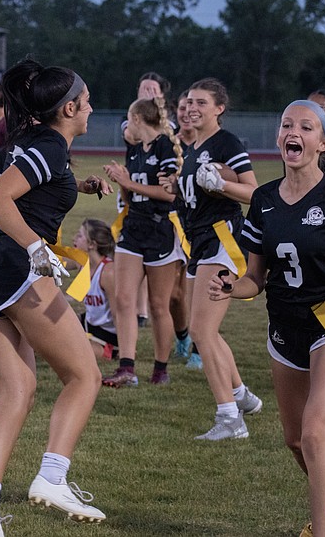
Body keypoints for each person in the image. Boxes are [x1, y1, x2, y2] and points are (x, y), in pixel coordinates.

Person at [209, 100, 325, 536]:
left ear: (323, 143)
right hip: (284, 329)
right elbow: (255, 278)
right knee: (294, 440)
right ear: (279, 137)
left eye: (307, 127)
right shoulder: (265, 199)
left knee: (313, 434)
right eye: (287, 124)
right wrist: (234, 285)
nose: (295, 131)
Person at [0, 57, 112, 536]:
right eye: (85, 102)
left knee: (19, 390)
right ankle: (52, 476)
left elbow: (25, 185)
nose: (91, 108)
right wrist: (35, 246)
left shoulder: (37, 142)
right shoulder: (45, 145)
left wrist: (77, 183)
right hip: (16, 269)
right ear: (67, 109)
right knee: (84, 377)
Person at [158, 77, 263, 441]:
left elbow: (254, 193)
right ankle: (240, 396)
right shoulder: (194, 147)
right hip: (200, 245)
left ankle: (230, 418)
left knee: (202, 332)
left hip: (224, 241)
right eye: (188, 102)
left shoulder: (225, 142)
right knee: (207, 330)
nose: (191, 107)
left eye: (201, 102)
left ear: (219, 108)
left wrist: (223, 186)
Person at [102, 97, 184, 387]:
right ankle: (127, 367)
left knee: (159, 304)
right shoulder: (135, 150)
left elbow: (170, 194)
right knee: (124, 299)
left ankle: (161, 368)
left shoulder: (167, 147)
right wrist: (121, 180)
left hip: (160, 229)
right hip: (132, 226)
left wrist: (129, 182)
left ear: (137, 118)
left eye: (128, 117)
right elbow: (130, 195)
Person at [172, 91, 199, 369]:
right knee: (174, 294)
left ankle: (199, 348)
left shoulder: (208, 145)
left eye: (190, 106)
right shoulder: (169, 144)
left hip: (200, 227)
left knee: (197, 291)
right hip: (172, 223)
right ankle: (182, 336)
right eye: (181, 107)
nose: (186, 112)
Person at [72, 218, 119, 362]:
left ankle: (113, 353)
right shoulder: (83, 264)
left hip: (108, 337)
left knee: (72, 351)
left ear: (92, 244)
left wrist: (126, 351)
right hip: (89, 326)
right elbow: (59, 261)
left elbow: (118, 314)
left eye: (80, 236)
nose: (74, 238)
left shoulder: (108, 272)